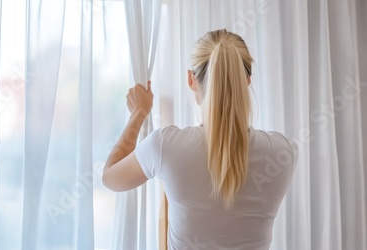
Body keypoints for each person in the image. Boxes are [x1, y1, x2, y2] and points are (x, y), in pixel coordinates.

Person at [102, 29, 299, 250]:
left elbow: (110, 177)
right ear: (247, 81)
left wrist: (138, 113)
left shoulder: (166, 145)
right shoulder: (285, 153)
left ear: (191, 80)